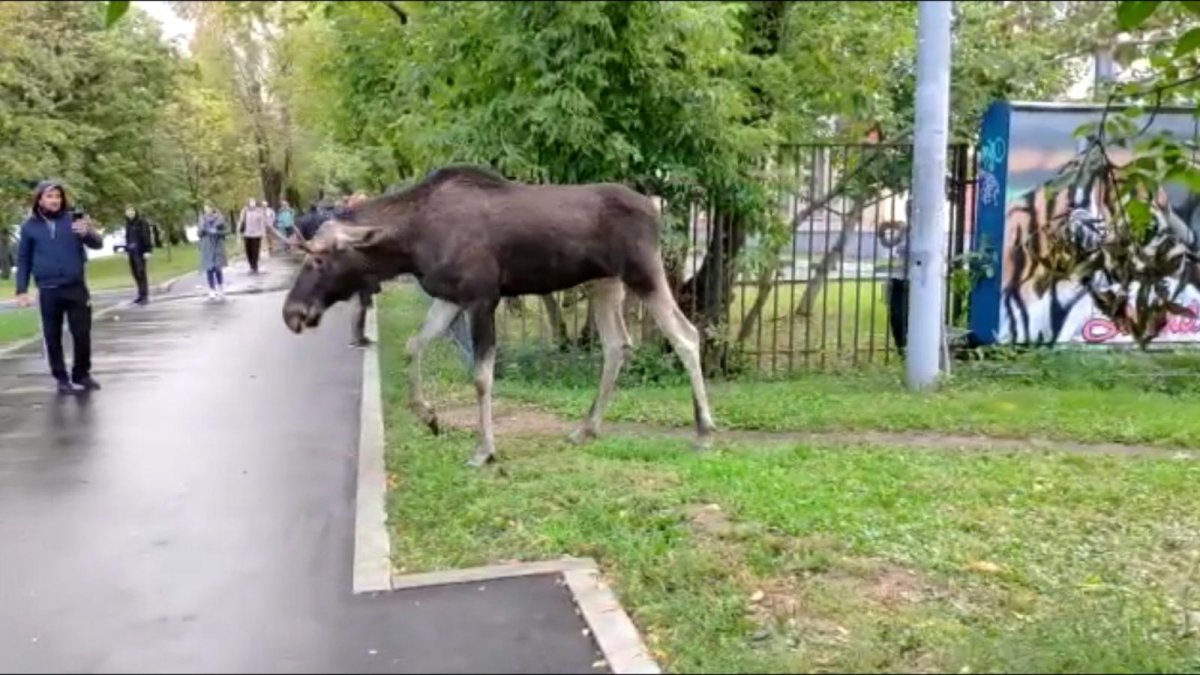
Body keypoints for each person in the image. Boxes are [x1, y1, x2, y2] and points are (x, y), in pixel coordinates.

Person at [14, 180, 104, 394]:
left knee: (82, 333)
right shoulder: (29, 227)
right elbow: (24, 258)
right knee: (52, 336)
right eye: (49, 196)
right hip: (48, 289)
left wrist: (87, 233)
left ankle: (81, 374)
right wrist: (22, 290)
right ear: (39, 199)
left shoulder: (73, 220)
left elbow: (97, 243)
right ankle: (61, 378)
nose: (55, 200)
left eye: (58, 196)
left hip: (75, 287)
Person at [123, 204, 154, 305]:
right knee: (135, 273)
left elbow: (146, 236)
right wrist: (126, 251)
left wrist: (148, 250)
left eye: (132, 211)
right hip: (132, 252)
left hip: (140, 252)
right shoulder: (128, 224)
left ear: (135, 211)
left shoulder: (141, 222)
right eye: (128, 211)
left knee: (141, 273)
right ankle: (140, 295)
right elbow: (127, 239)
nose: (130, 213)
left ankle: (145, 295)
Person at [198, 202, 229, 300]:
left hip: (217, 245)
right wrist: (202, 230)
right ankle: (212, 289)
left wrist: (217, 232)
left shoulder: (219, 218)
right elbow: (198, 233)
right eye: (205, 208)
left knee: (217, 268)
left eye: (208, 208)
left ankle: (220, 287)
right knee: (209, 269)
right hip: (207, 246)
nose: (207, 210)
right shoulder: (202, 220)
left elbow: (227, 230)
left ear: (212, 209)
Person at [237, 198, 272, 274]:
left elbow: (262, 223)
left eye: (253, 202)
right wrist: (239, 234)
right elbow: (241, 221)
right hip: (247, 234)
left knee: (255, 251)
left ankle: (255, 266)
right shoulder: (244, 211)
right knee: (248, 251)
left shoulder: (259, 211)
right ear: (248, 203)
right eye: (251, 202)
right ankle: (251, 265)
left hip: (256, 235)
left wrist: (263, 234)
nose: (252, 203)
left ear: (255, 203)